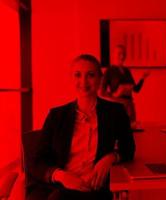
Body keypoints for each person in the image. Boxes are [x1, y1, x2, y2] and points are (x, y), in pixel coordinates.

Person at [26, 54, 135, 200]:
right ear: (71, 78)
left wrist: (111, 157)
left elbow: (129, 148)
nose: (83, 81)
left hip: (96, 187)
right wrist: (61, 176)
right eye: (78, 75)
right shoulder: (56, 115)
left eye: (90, 75)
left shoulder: (115, 112)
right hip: (62, 186)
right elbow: (36, 161)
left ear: (100, 79)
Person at [99, 44, 150, 128]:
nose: (122, 56)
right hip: (117, 106)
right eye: (119, 54)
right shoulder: (109, 71)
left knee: (131, 131)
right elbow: (101, 92)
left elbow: (136, 90)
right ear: (113, 55)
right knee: (118, 130)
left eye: (124, 54)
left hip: (129, 105)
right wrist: (114, 96)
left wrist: (142, 78)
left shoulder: (127, 71)